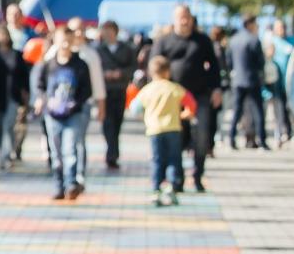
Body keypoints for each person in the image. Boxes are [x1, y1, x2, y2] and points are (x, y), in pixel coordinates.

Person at [156, 5, 222, 191]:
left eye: (187, 18)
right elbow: (154, 66)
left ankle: (198, 175)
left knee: (201, 137)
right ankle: (176, 178)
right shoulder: (164, 41)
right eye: (180, 18)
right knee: (174, 138)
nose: (184, 21)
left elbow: (214, 66)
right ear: (174, 20)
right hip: (172, 99)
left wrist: (216, 89)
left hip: (199, 96)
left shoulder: (202, 41)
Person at [31, 27, 100, 201]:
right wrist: (41, 99)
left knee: (70, 149)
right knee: (56, 153)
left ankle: (71, 184)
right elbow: (39, 85)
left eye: (68, 40)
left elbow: (87, 89)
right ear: (55, 40)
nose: (65, 44)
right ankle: (58, 185)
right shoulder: (49, 64)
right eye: (62, 39)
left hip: (73, 114)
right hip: (52, 114)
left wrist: (75, 104)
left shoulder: (80, 64)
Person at [130, 55, 188, 206]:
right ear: (168, 72)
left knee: (157, 159)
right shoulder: (174, 88)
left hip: (154, 129)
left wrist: (143, 115)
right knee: (173, 159)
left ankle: (156, 189)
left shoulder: (147, 90)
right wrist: (185, 114)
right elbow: (191, 103)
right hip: (173, 128)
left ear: (151, 72)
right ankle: (171, 186)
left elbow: (134, 108)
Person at [94, 20, 137, 169]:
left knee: (117, 121)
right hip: (103, 91)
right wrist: (104, 74)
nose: (106, 34)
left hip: (119, 89)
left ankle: (113, 151)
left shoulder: (126, 49)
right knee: (107, 122)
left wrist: (121, 74)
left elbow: (133, 67)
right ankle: (111, 153)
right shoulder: (98, 49)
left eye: (109, 30)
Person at [0, 24, 30, 167]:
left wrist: (25, 93)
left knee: (8, 125)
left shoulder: (17, 54)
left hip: (13, 95)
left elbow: (24, 76)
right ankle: (1, 152)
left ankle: (6, 154)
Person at [226, 15, 269, 150]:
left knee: (237, 111)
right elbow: (261, 62)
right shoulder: (254, 40)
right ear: (250, 24)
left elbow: (229, 62)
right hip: (252, 80)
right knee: (258, 111)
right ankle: (262, 140)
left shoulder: (233, 40)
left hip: (238, 80)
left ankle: (231, 138)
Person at [266, 20, 294, 143]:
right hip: (277, 81)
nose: (281, 30)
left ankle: (293, 130)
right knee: (279, 107)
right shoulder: (272, 42)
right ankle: (283, 131)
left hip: (291, 80)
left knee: (291, 106)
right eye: (279, 28)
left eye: (283, 27)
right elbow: (267, 59)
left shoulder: (293, 40)